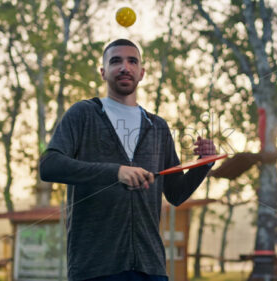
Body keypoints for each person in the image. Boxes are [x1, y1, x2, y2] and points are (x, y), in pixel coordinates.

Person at [39, 38, 216, 281]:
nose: (125, 67)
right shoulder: (84, 114)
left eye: (132, 61)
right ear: (103, 72)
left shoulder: (158, 127)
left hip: (150, 267)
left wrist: (203, 164)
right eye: (116, 61)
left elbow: (176, 194)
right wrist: (115, 172)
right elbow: (49, 166)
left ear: (142, 73)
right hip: (95, 267)